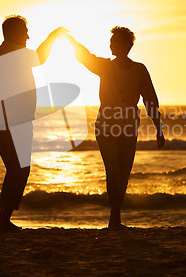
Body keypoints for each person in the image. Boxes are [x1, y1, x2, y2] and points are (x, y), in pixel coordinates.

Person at [67, 27, 165, 229]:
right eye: (110, 42)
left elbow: (150, 99)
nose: (111, 45)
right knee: (113, 170)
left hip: (129, 127)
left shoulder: (140, 70)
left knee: (124, 171)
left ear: (127, 45)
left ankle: (116, 218)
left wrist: (159, 128)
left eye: (115, 42)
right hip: (106, 126)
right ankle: (114, 219)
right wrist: (70, 40)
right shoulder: (104, 66)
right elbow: (85, 57)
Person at [0, 15, 65, 231]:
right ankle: (3, 221)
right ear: (14, 33)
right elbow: (40, 58)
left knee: (17, 169)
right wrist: (53, 37)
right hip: (12, 121)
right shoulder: (12, 54)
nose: (28, 36)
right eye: (25, 31)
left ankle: (4, 220)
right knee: (19, 169)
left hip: (8, 120)